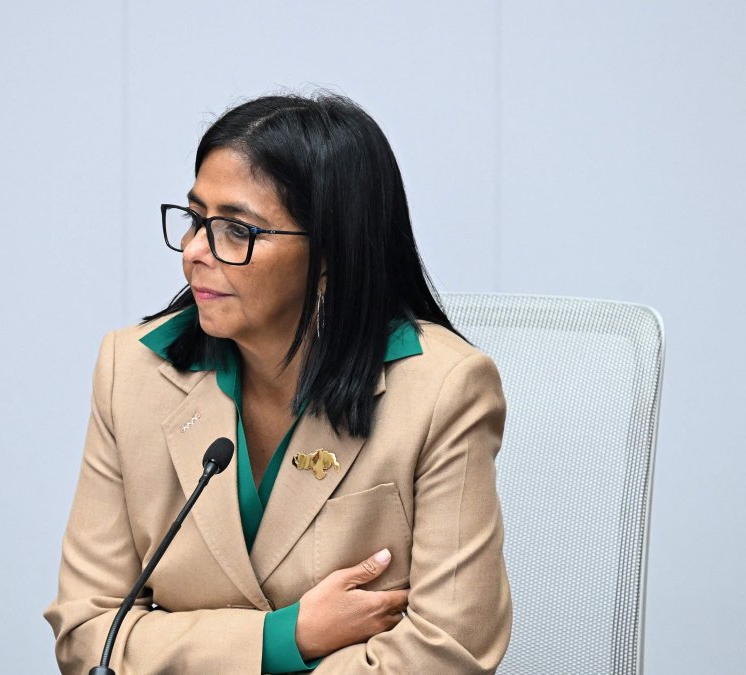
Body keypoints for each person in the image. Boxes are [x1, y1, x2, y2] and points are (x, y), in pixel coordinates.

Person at [45, 93, 511, 674]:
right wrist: (282, 638)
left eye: (236, 230)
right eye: (195, 221)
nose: (193, 253)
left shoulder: (444, 390)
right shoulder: (132, 372)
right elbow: (90, 634)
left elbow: (449, 652)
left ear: (328, 255)